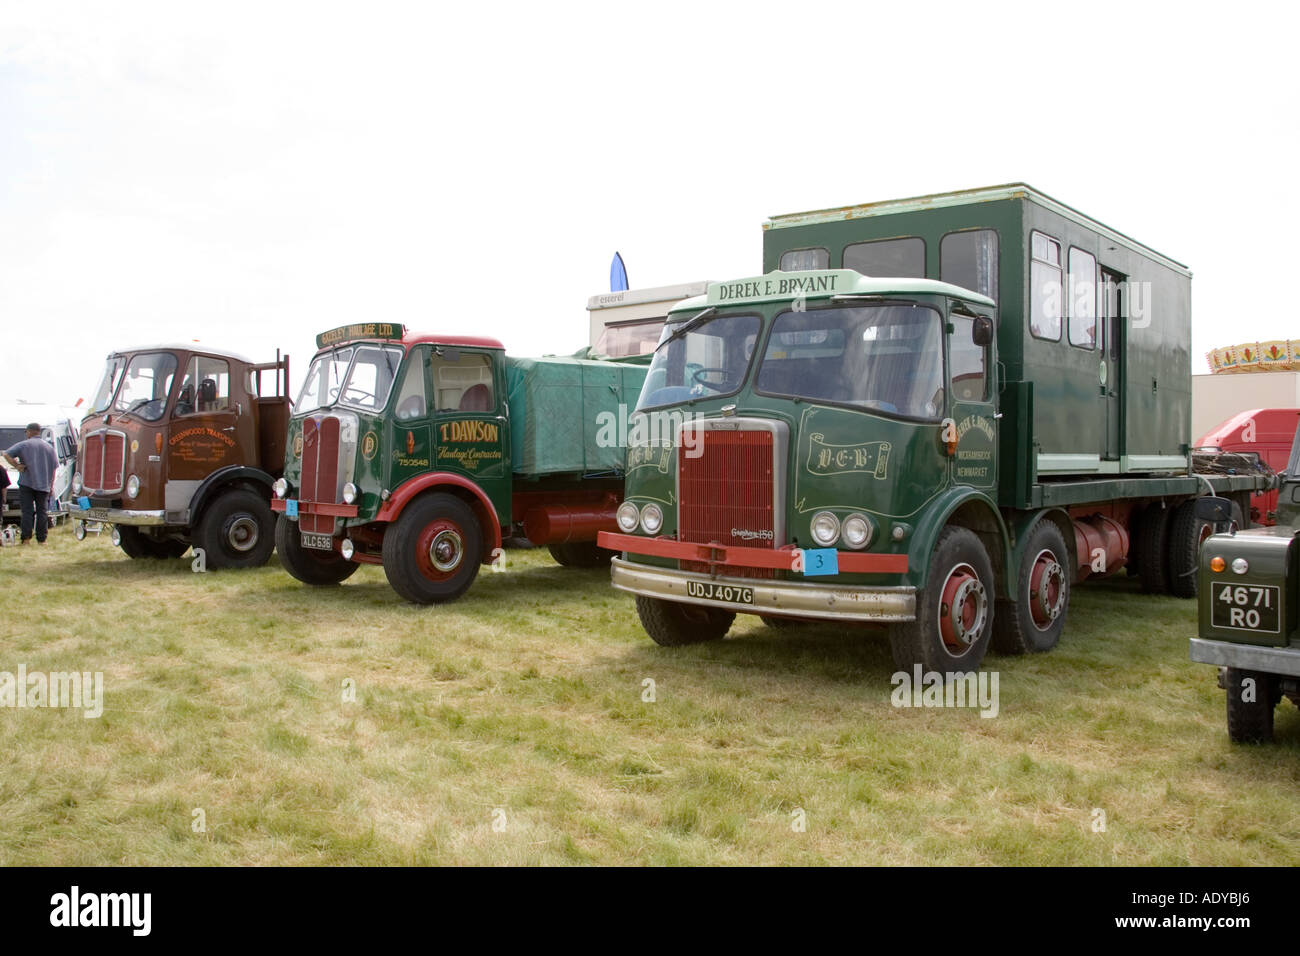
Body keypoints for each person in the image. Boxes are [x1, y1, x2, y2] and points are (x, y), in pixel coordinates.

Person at [2, 423, 59, 545]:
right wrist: (51, 485)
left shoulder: (24, 444)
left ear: (30, 432)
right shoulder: (49, 448)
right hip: (44, 485)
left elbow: (6, 454)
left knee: (27, 512)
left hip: (26, 483)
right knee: (42, 512)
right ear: (39, 432)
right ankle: (42, 540)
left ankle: (26, 539)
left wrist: (16, 465)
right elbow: (54, 469)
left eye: (26, 432)